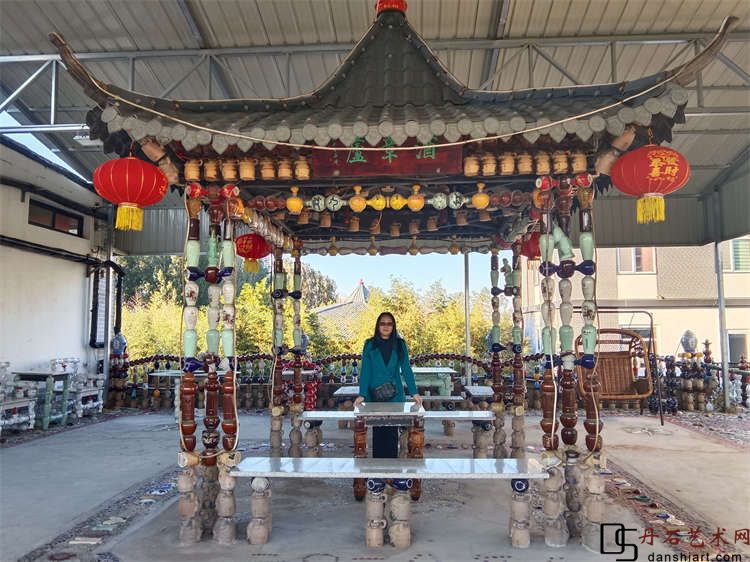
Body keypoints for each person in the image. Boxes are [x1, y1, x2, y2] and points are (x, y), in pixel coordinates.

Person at [354, 312, 422, 458]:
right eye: (382, 323)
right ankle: (378, 470)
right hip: (374, 395)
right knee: (378, 434)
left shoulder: (400, 344)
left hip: (395, 395)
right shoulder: (370, 344)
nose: (386, 326)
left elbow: (406, 368)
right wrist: (362, 394)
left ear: (393, 326)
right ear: (378, 326)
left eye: (389, 323)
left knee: (392, 435)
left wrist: (414, 392)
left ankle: (392, 470)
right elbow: (365, 370)